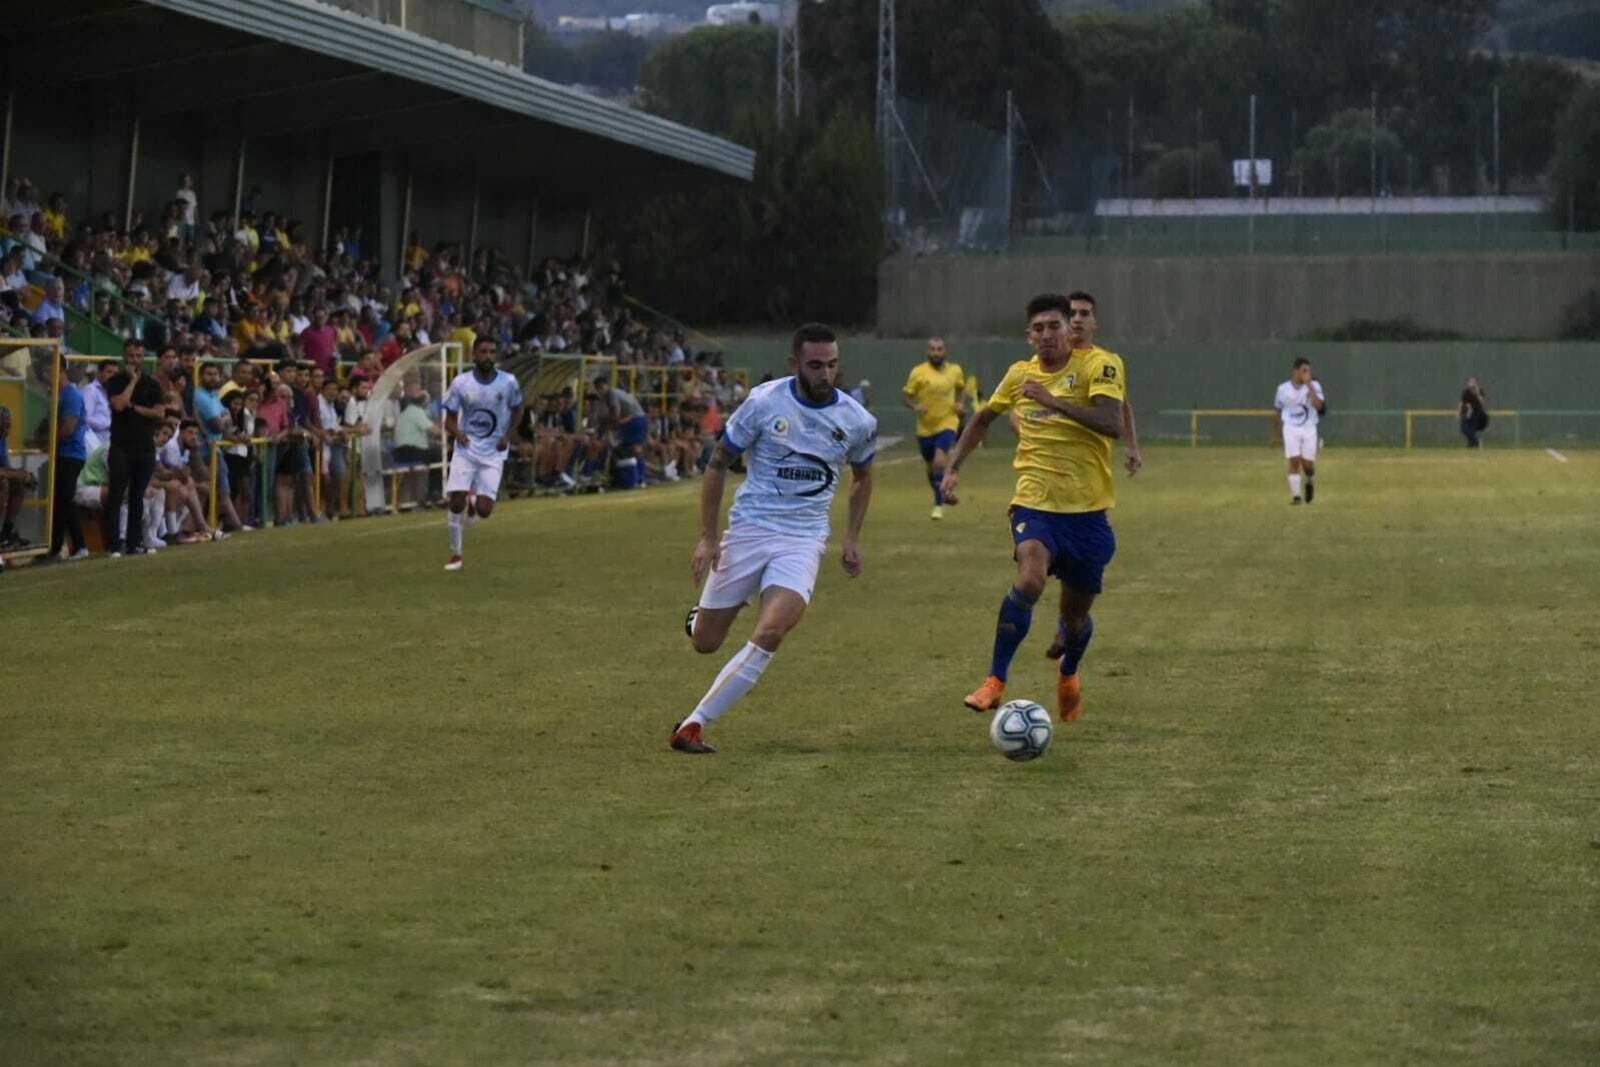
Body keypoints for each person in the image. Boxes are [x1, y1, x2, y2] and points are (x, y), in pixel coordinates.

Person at [670, 323, 877, 755]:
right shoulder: (764, 402)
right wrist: (708, 538)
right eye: (816, 365)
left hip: (802, 540)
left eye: (833, 365)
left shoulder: (857, 420)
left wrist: (851, 537)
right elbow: (717, 463)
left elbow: (862, 477)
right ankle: (703, 615)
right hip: (748, 531)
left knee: (771, 632)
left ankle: (694, 723)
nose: (825, 374)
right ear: (795, 364)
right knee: (705, 643)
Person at [939, 292, 1128, 725]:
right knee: (1029, 577)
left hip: (1088, 512)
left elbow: (1112, 423)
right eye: (1038, 328)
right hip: (1034, 501)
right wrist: (952, 468)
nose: (1046, 335)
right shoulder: (1018, 374)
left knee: (1075, 619)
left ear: (1070, 330)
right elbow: (984, 417)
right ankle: (994, 681)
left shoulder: (1100, 366)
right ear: (1029, 334)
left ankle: (1069, 673)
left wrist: (1052, 400)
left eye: (1054, 326)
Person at [441, 337, 524, 572]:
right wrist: (458, 433)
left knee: (485, 511)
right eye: (484, 351)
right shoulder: (461, 382)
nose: (488, 356)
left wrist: (508, 436)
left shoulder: (508, 382)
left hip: (494, 452)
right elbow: (449, 418)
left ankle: (475, 501)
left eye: (492, 352)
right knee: (455, 501)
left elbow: (519, 409)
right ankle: (456, 554)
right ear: (474, 355)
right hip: (466, 449)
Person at [103, 339, 165, 556]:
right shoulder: (116, 381)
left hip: (145, 447)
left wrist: (136, 408)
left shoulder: (152, 383)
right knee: (117, 494)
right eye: (131, 356)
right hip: (121, 446)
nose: (135, 360)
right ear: (124, 356)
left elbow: (159, 413)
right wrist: (132, 383)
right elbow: (119, 404)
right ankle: (112, 544)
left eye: (139, 356)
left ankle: (134, 542)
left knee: (138, 495)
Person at [903, 338, 966, 520]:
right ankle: (942, 490)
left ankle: (938, 505)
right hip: (925, 428)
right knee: (932, 468)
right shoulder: (918, 372)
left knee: (939, 461)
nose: (936, 352)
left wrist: (959, 404)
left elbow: (960, 388)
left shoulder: (955, 370)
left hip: (948, 422)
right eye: (933, 349)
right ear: (928, 352)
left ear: (944, 351)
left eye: (939, 349)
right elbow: (907, 396)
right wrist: (915, 406)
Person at [50, 356, 90, 560]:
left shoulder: (71, 396)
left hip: (70, 455)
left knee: (61, 502)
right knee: (65, 500)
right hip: (63, 454)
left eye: (49, 368)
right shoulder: (57, 395)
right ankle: (80, 545)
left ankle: (55, 548)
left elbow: (68, 428)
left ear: (61, 369)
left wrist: (45, 442)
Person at [1273, 357, 1325, 504]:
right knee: (1294, 461)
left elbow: (1319, 406)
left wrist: (1310, 388)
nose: (1307, 373)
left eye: (1309, 371)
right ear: (1295, 371)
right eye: (1304, 370)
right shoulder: (1282, 389)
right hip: (1290, 427)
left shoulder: (1314, 385)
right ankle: (1296, 497)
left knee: (1307, 465)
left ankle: (1309, 479)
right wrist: (1274, 435)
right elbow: (1277, 411)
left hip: (1309, 427)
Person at [591, 375, 648, 489]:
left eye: (601, 387)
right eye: (598, 389)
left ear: (607, 386)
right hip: (639, 418)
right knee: (635, 449)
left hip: (633, 420)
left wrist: (607, 427)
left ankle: (633, 478)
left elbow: (616, 415)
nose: (600, 391)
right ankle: (640, 479)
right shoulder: (617, 392)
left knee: (624, 448)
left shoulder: (611, 394)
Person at [0, 406, 38, 552]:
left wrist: (22, 475)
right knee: (4, 483)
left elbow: (6, 468)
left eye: (9, 425)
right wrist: (19, 474)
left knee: (19, 485)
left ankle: (5, 534)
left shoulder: (3, 440)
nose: (8, 429)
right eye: (5, 425)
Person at [1459, 376, 1489, 449]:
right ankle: (1477, 442)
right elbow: (1462, 403)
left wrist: (1477, 393)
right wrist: (1460, 412)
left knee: (1472, 432)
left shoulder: (1479, 391)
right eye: (1470, 382)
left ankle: (1474, 445)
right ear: (1468, 383)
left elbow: (1482, 402)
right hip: (1467, 415)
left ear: (1476, 383)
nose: (1472, 384)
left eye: (1473, 382)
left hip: (1477, 415)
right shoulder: (1466, 392)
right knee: (1464, 429)